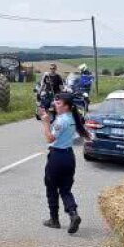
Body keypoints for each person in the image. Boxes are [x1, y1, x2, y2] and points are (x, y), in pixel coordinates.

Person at [40, 92, 90, 234]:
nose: (55, 104)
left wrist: (45, 123)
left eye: (59, 103)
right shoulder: (73, 118)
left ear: (67, 106)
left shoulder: (61, 121)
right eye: (55, 102)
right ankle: (73, 214)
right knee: (65, 189)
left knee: (51, 187)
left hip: (57, 156)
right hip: (69, 156)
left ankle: (54, 220)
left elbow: (50, 139)